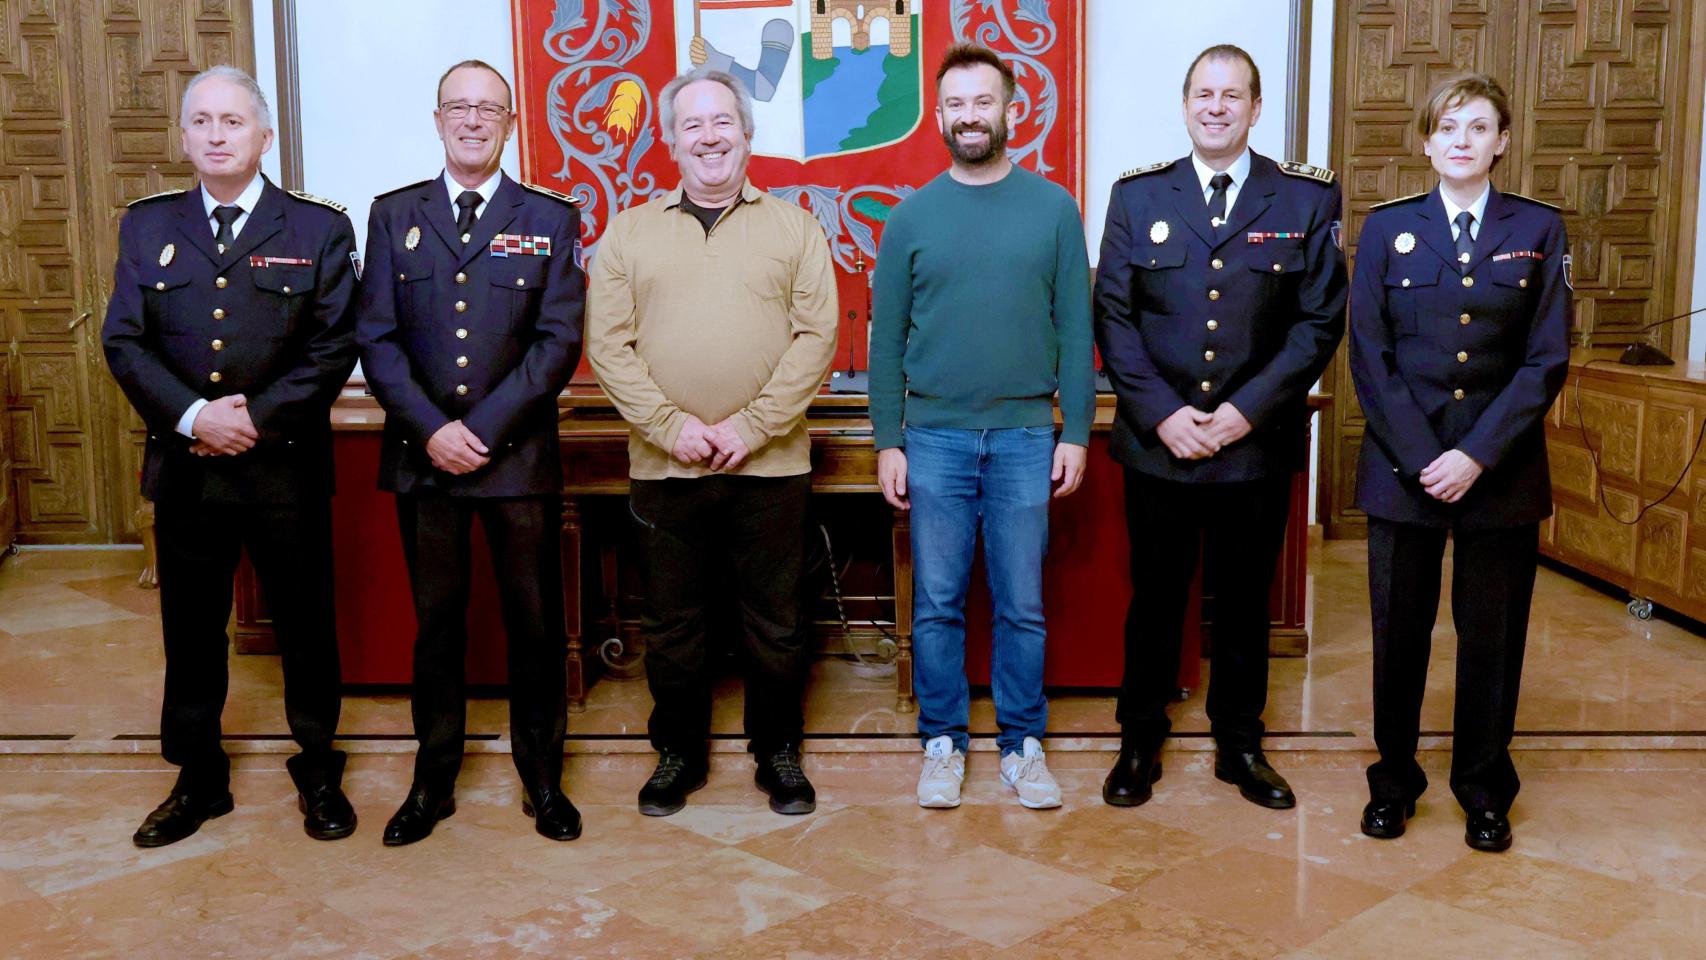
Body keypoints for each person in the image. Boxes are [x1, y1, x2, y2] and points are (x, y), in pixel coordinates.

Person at [103, 65, 359, 846]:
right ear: (183, 136)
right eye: (202, 122)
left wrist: (252, 418)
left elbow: (333, 345)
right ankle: (198, 773)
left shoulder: (318, 228)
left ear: (264, 136)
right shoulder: (146, 226)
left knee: (308, 624)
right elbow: (125, 341)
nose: (217, 135)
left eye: (232, 122)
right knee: (190, 624)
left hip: (282, 467)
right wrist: (192, 418)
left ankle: (317, 763)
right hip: (188, 469)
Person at [1093, 44, 1346, 810]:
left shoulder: (1304, 200)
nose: (1216, 106)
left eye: (1232, 95)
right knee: (1155, 598)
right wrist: (1166, 415)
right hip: (1158, 443)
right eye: (1204, 92)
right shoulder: (1138, 196)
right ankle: (1140, 738)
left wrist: (1242, 412)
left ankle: (1240, 743)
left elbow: (1318, 320)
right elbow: (1113, 312)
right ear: (1185, 103)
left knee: (1243, 603)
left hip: (1255, 446)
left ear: (1255, 108)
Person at [586, 68, 836, 818]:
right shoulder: (628, 231)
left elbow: (817, 338)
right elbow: (608, 345)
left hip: (772, 465)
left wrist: (750, 427)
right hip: (665, 469)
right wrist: (673, 428)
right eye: (692, 124)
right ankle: (678, 753)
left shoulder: (794, 227)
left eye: (722, 121)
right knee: (674, 623)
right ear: (669, 140)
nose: (709, 136)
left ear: (747, 134)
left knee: (777, 619)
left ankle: (778, 750)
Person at [356, 59, 585, 845]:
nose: (474, 119)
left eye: (490, 108)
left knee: (534, 624)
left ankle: (544, 779)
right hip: (425, 457)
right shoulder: (394, 215)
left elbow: (557, 342)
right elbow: (376, 339)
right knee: (437, 627)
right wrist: (433, 429)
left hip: (516, 460)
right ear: (438, 118)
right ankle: (432, 781)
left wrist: (482, 430)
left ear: (512, 122)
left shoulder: (551, 217)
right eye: (460, 106)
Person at [1348, 74, 1570, 853]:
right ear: (1426, 141)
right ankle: (1394, 781)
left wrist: (1474, 456)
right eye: (1449, 127)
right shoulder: (1387, 229)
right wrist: (1423, 457)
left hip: (1501, 474)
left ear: (1502, 141)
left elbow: (1545, 360)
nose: (1463, 140)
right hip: (1404, 472)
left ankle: (1483, 787)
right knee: (1398, 634)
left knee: (1491, 640)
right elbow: (1369, 358)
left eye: (1479, 127)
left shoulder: (1539, 229)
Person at [871, 43, 1094, 811]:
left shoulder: (1054, 209)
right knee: (935, 599)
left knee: (1020, 601)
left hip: (1028, 437)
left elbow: (1075, 327)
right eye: (956, 105)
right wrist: (888, 441)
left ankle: (1021, 744)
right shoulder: (910, 218)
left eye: (983, 102)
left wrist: (1075, 431)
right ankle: (942, 740)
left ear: (1010, 109)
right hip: (932, 437)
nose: (970, 116)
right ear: (939, 117)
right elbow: (885, 341)